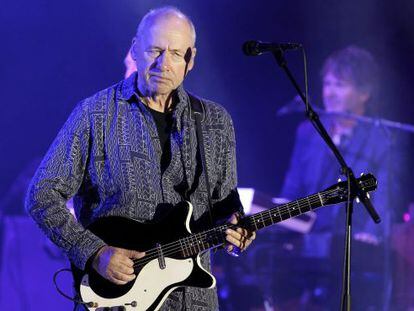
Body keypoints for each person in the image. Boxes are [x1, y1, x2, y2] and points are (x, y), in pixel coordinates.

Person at [25, 6, 255, 310]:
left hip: (194, 302)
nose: (164, 63)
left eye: (176, 53)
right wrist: (95, 253)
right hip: (116, 301)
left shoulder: (215, 121)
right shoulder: (95, 114)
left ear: (191, 59)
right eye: (155, 50)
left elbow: (226, 202)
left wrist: (238, 228)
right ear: (135, 49)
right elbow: (41, 195)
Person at [279, 45, 401, 310]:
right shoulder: (308, 132)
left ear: (364, 93)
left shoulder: (380, 139)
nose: (330, 92)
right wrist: (281, 223)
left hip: (351, 241)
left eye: (340, 85)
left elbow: (385, 194)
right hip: (308, 238)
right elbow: (292, 187)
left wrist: (371, 234)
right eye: (327, 83)